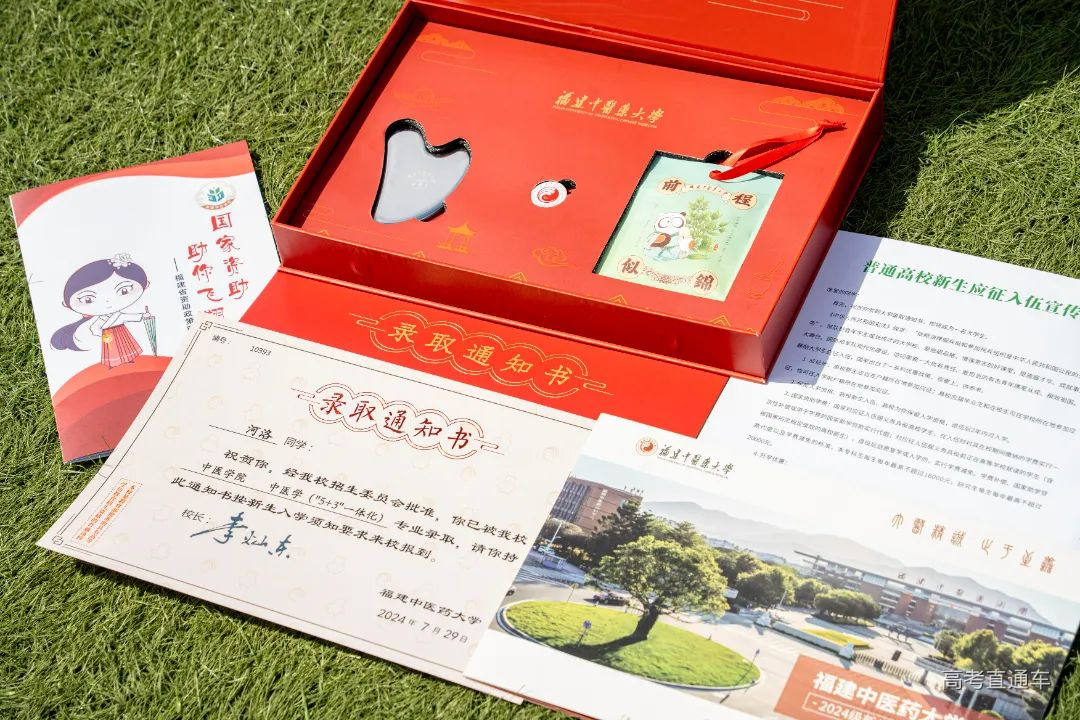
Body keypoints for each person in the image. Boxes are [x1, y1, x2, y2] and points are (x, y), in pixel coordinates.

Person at [50, 254, 151, 369]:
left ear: (146, 284)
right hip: (108, 334)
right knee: (112, 351)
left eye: (124, 290)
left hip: (120, 331)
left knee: (125, 346)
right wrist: (102, 335)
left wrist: (143, 316)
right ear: (66, 304)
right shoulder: (97, 319)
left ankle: (129, 358)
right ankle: (113, 364)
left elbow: (125, 316)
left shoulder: (117, 314)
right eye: (87, 299)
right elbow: (94, 327)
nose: (108, 302)